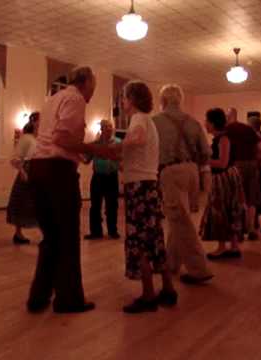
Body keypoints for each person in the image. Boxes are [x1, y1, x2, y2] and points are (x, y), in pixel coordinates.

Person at [26, 66, 114, 314]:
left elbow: (56, 140)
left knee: (51, 238)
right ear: (84, 83)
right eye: (93, 88)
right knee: (67, 237)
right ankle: (69, 299)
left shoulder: (52, 99)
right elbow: (62, 139)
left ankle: (38, 297)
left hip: (38, 169)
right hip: (57, 173)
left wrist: (83, 151)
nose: (92, 94)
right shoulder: (75, 98)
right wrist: (97, 150)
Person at [112, 80, 177, 313]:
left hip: (138, 188)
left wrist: (116, 146)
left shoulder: (138, 119)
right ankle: (168, 289)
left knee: (139, 240)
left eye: (124, 97)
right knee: (154, 239)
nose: (122, 101)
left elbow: (136, 140)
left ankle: (149, 295)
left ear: (133, 99)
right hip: (148, 184)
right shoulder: (148, 121)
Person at [152, 84, 212, 285]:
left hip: (170, 171)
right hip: (192, 171)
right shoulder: (193, 122)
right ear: (180, 100)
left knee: (180, 220)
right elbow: (205, 153)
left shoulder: (155, 122)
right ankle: (171, 263)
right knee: (179, 216)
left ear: (162, 101)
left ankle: (199, 269)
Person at [201, 108, 245, 259]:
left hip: (223, 179)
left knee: (220, 211)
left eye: (206, 120)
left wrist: (203, 160)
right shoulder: (220, 138)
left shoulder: (223, 139)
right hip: (227, 178)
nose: (204, 123)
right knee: (228, 210)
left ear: (213, 123)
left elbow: (222, 162)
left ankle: (222, 247)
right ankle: (233, 246)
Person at [225, 107, 261, 240]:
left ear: (228, 116)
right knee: (251, 198)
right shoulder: (248, 129)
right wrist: (254, 160)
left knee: (237, 198)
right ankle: (251, 228)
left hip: (236, 165)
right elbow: (260, 149)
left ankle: (239, 230)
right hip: (251, 164)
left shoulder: (227, 130)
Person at [83, 119, 121, 240]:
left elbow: (123, 159)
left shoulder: (118, 142)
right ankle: (96, 232)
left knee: (112, 205)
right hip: (98, 177)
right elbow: (86, 160)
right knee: (95, 205)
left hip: (112, 176)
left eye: (110, 127)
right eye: (106, 127)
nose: (109, 129)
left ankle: (112, 231)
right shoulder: (95, 144)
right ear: (102, 129)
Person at [6, 112, 40, 245]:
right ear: (35, 122)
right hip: (27, 172)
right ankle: (18, 234)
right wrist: (22, 172)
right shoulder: (26, 138)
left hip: (39, 171)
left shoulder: (41, 138)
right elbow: (15, 158)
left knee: (39, 203)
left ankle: (45, 233)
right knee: (21, 203)